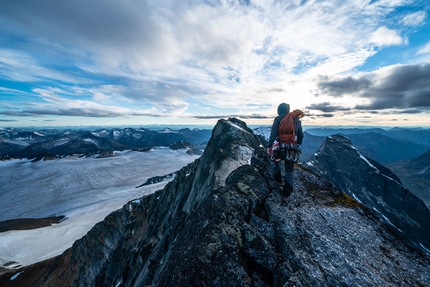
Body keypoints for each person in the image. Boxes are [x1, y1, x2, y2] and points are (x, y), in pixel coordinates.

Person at [266, 103, 304, 204]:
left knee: (275, 162)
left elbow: (273, 134)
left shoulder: (278, 119)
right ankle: (286, 193)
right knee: (289, 170)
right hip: (291, 147)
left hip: (279, 146)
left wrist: (269, 146)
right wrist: (298, 146)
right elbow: (301, 135)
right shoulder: (297, 121)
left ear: (279, 110)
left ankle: (279, 181)